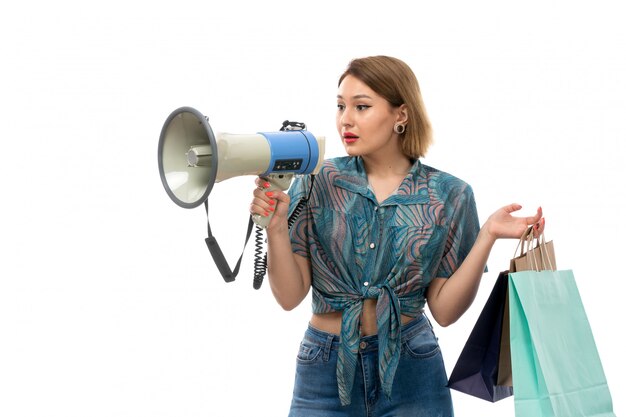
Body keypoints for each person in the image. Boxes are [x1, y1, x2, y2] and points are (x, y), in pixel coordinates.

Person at [250, 55, 545, 416]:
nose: (346, 119)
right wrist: (277, 228)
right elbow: (289, 296)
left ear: (400, 115)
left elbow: (445, 311)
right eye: (341, 106)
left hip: (413, 367)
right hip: (324, 368)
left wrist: (486, 237)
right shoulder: (316, 181)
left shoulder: (449, 194)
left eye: (362, 107)